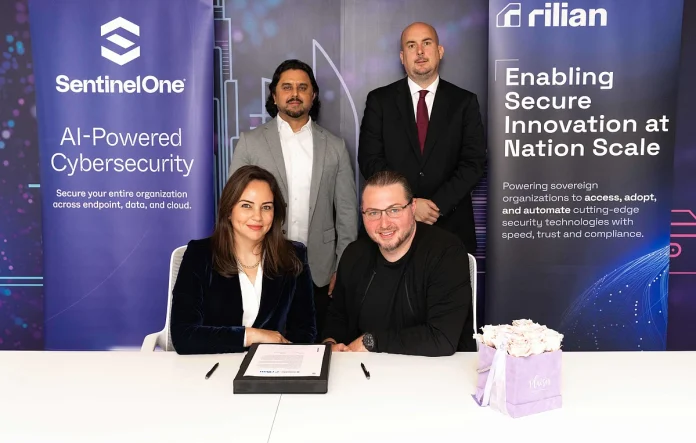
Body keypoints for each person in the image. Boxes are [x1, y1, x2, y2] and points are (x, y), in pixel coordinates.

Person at [230, 59, 358, 340]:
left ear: (313, 95)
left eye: (303, 87)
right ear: (274, 95)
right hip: (262, 265)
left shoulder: (335, 147)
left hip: (320, 271)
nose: (295, 93)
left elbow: (347, 214)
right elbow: (234, 206)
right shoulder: (250, 143)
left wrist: (343, 268)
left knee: (314, 346)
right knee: (266, 348)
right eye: (287, 87)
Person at [358, 22, 486, 254]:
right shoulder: (380, 101)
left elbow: (473, 163)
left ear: (439, 51)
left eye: (426, 43)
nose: (419, 51)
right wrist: (409, 205)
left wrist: (437, 206)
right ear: (402, 57)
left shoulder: (464, 102)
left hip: (451, 227)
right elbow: (370, 160)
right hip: (392, 228)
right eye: (411, 45)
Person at [322, 170, 474, 356]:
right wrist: (330, 343)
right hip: (363, 368)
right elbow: (338, 316)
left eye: (394, 210)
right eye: (373, 213)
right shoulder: (354, 254)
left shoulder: (446, 252)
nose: (384, 224)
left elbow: (442, 338)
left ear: (413, 207)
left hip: (433, 370)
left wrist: (371, 342)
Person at [170, 165, 316, 354]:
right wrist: (251, 336)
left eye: (266, 207)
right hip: (213, 365)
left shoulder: (293, 255)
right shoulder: (199, 254)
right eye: (246, 205)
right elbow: (183, 335)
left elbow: (305, 332)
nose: (257, 216)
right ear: (229, 211)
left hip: (272, 365)